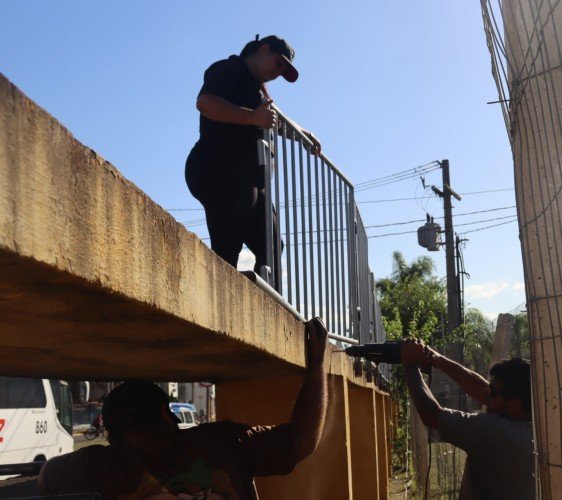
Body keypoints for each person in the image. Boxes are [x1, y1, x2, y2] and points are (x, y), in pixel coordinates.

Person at [37, 318, 330, 499]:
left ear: (112, 436)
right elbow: (301, 440)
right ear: (166, 414)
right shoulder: (225, 443)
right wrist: (317, 365)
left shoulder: (101, 466)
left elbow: (44, 478)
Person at [185, 34, 320, 280]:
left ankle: (264, 313)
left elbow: (274, 122)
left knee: (271, 246)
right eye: (278, 63)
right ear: (263, 49)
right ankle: (221, 307)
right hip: (218, 169)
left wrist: (303, 135)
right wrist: (250, 117)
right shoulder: (229, 69)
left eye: (283, 69)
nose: (278, 72)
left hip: (249, 178)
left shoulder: (259, 91)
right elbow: (205, 102)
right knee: (227, 248)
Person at [401, 339, 535, 499]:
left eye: (492, 391)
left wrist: (410, 364)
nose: (486, 394)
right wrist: (436, 359)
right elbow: (482, 390)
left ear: (513, 406)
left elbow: (431, 415)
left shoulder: (495, 432)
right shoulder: (533, 429)